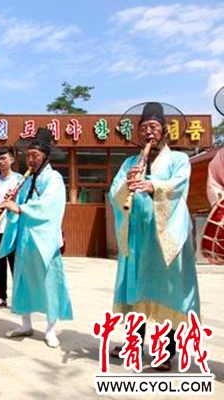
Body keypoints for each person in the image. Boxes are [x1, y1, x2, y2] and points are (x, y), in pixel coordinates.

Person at [108, 102, 200, 371]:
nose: (148, 132)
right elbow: (116, 193)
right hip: (137, 237)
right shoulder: (129, 163)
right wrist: (129, 182)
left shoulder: (178, 159)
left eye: (154, 127)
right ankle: (133, 345)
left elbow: (179, 184)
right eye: (144, 128)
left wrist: (153, 186)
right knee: (135, 289)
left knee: (166, 293)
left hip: (164, 238)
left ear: (163, 131)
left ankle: (166, 351)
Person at [0, 128, 73, 348]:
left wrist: (20, 208)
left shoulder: (54, 178)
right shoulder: (25, 179)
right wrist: (12, 202)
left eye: (35, 156)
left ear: (46, 157)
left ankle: (51, 329)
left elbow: (49, 206)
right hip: (25, 239)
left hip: (45, 240)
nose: (30, 160)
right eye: (28, 156)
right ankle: (25, 323)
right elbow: (17, 206)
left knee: (49, 283)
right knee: (23, 280)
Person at [0, 148, 22, 307]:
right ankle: (1, 295)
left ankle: (19, 297)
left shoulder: (20, 179)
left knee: (15, 263)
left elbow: (23, 203)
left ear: (12, 159)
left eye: (4, 158)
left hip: (13, 228)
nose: (1, 161)